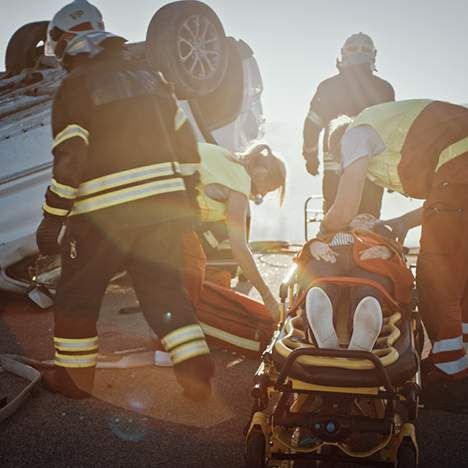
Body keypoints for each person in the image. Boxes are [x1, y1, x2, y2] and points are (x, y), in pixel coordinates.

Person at [36, 0, 213, 401]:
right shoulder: (152, 79)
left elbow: (70, 159)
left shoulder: (75, 85)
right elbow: (188, 148)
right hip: (161, 211)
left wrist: (52, 218)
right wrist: (186, 200)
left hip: (103, 216)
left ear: (65, 41)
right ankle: (196, 372)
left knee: (78, 295)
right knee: (165, 292)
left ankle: (75, 379)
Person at [322, 99, 468, 411]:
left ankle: (451, 380)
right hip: (458, 177)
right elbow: (445, 196)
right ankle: (459, 365)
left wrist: (326, 230)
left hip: (459, 172)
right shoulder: (398, 131)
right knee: (462, 282)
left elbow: (345, 207)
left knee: (438, 281)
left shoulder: (354, 133)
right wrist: (402, 222)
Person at [190, 142, 287, 322]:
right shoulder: (240, 183)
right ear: (263, 175)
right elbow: (240, 248)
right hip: (163, 210)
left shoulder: (228, 159)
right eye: (270, 189)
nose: (263, 196)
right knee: (192, 266)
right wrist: (267, 297)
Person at [302, 32, 394, 216]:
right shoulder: (385, 89)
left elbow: (312, 125)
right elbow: (390, 132)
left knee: (334, 219)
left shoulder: (328, 87)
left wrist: (310, 158)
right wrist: (390, 171)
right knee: (367, 222)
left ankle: (334, 243)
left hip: (336, 172)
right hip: (372, 172)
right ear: (373, 56)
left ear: (343, 55)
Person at [297, 214, 413, 351]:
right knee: (319, 285)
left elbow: (398, 252)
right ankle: (320, 329)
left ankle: (363, 334)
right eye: (359, 217)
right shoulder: (333, 234)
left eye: (369, 219)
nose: (363, 219)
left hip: (369, 260)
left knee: (370, 288)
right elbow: (305, 251)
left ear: (376, 225)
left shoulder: (379, 239)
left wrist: (387, 251)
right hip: (332, 255)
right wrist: (314, 246)